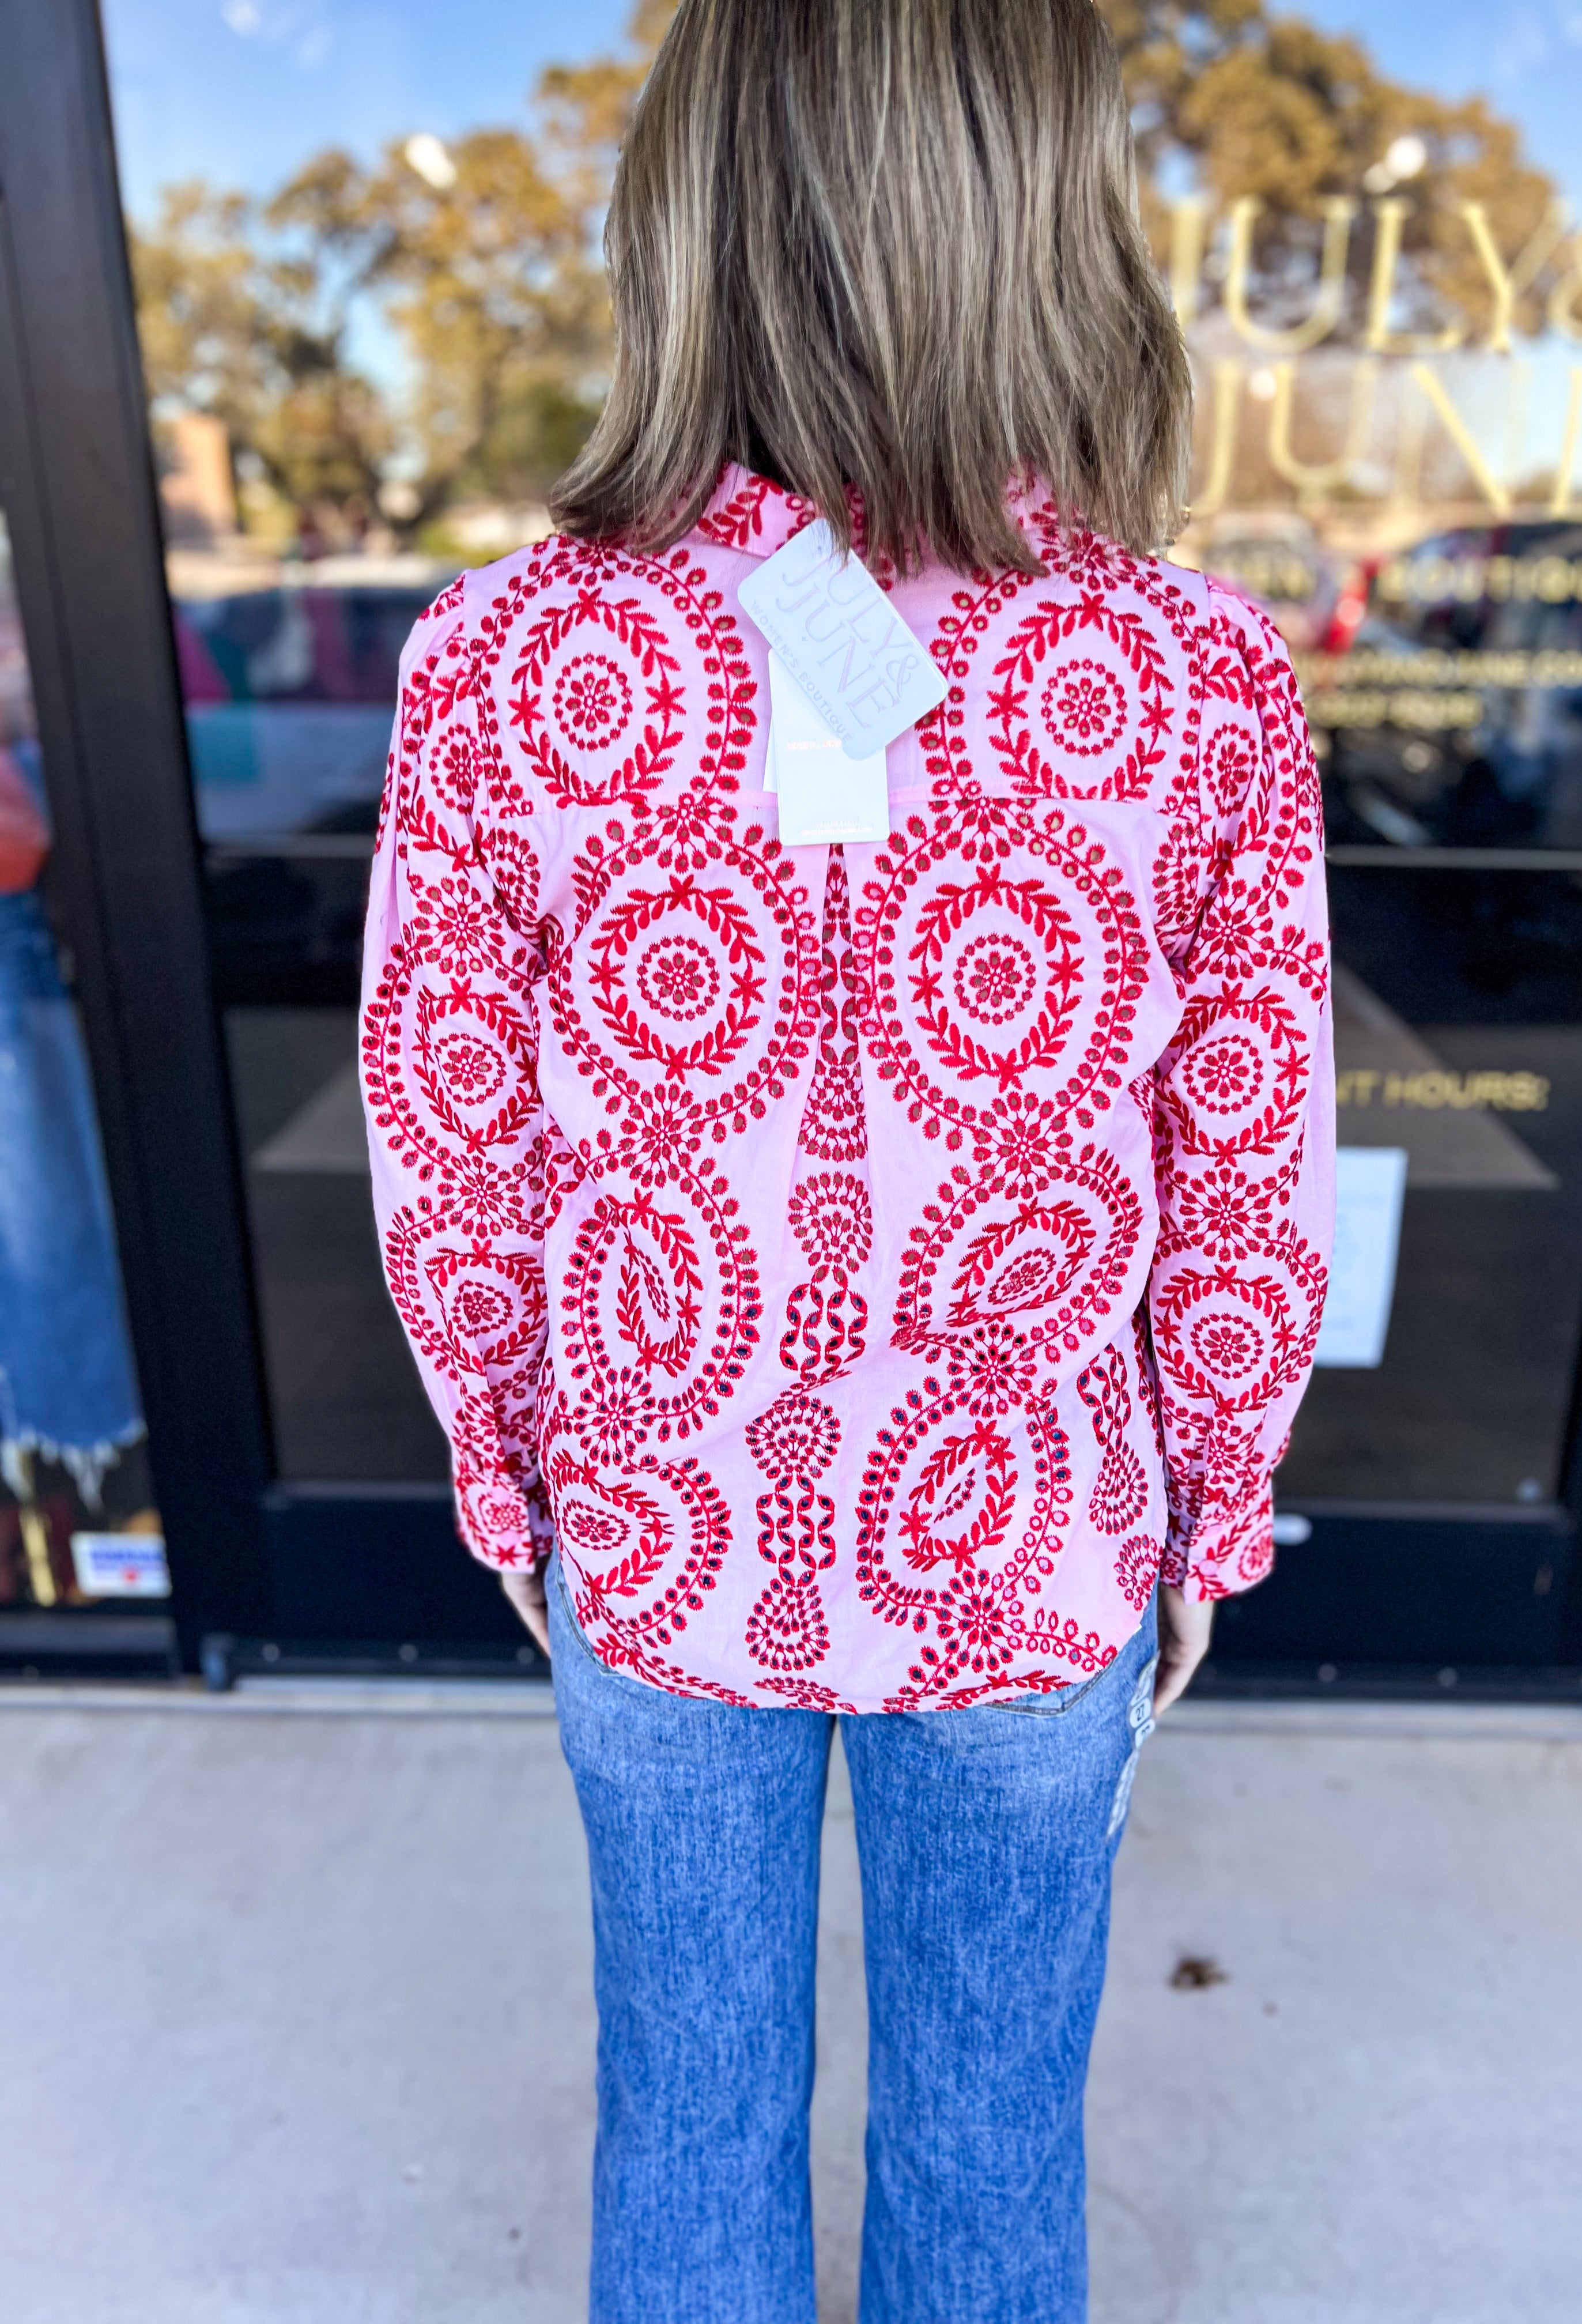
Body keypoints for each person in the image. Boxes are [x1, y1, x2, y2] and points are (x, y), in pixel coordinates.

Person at [361, 2, 1332, 2314]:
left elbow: (449, 1140)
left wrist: (513, 1486)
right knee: (995, 2124)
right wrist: (1217, 1497)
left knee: (684, 2103)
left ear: (684, 222)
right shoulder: (1198, 682)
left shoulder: (499, 668)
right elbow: (1246, 1156)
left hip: (658, 1529)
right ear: (1045, 220)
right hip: (1036, 1544)